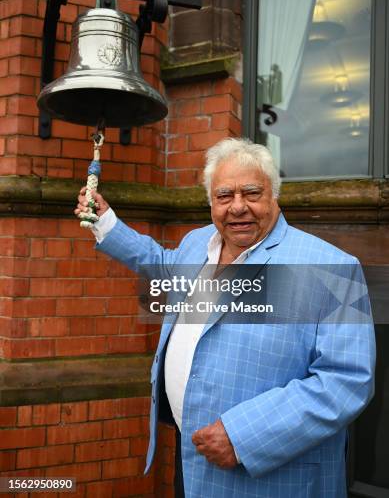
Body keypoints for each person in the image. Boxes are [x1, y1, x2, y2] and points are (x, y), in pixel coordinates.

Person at [75, 137, 376, 498]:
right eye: (224, 196)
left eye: (251, 193)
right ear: (211, 201)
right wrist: (105, 223)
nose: (238, 207)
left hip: (270, 478)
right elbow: (161, 264)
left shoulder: (333, 268)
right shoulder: (196, 244)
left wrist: (242, 435)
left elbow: (347, 381)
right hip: (191, 463)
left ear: (273, 195)